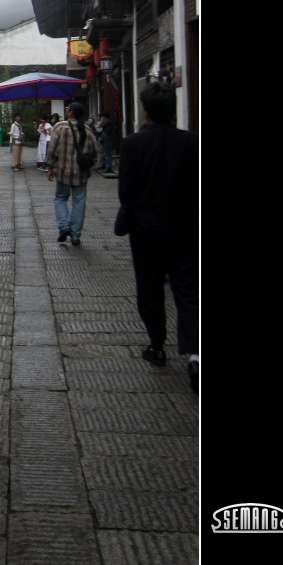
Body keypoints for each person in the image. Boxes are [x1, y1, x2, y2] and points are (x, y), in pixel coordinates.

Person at [116, 82, 199, 392]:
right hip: (186, 232)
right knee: (189, 292)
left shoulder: (133, 144)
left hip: (146, 233)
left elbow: (126, 193)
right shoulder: (193, 143)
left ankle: (157, 345)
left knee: (150, 290)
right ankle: (196, 356)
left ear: (146, 112)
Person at [47, 101, 98, 246]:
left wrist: (50, 166)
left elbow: (52, 148)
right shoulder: (86, 129)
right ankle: (75, 235)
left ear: (70, 113)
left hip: (62, 171)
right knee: (79, 202)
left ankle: (64, 226)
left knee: (60, 198)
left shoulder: (60, 126)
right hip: (81, 172)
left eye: (68, 109)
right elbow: (96, 149)